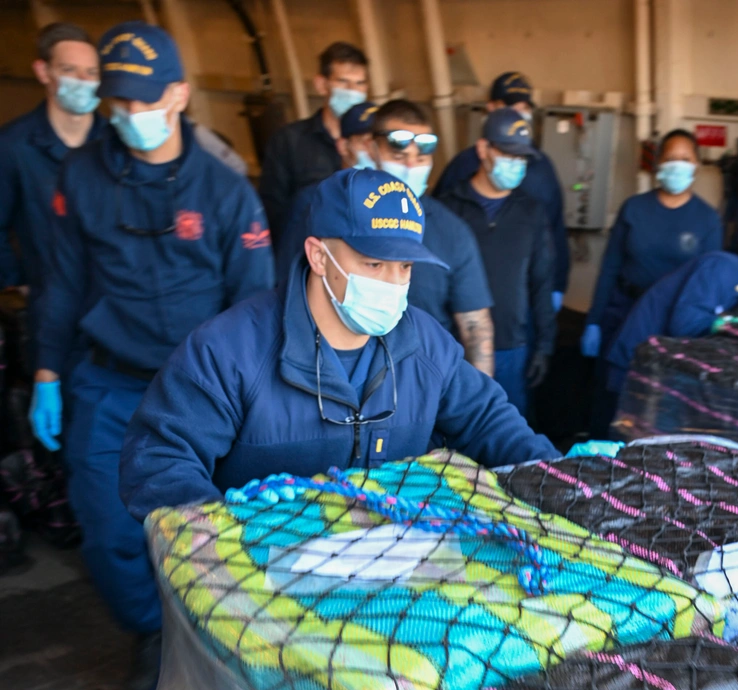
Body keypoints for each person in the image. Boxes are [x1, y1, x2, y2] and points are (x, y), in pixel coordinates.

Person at [30, 20, 274, 690]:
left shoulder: (227, 194)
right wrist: (46, 370)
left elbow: (254, 307)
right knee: (108, 529)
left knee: (217, 524)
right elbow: (61, 283)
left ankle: (218, 642)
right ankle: (153, 633)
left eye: (144, 101)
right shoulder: (81, 179)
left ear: (178, 94)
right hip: (107, 383)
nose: (130, 116)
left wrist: (255, 400)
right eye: (119, 103)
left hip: (202, 390)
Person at [119, 167, 556, 530]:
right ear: (319, 256)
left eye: (404, 266)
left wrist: (559, 481)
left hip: (388, 564)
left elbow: (490, 421)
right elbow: (160, 459)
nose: (393, 283)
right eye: (373, 263)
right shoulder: (227, 351)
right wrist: (220, 544)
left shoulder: (426, 344)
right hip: (262, 573)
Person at [275, 100, 495, 377]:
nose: (411, 166)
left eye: (421, 158)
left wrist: (475, 395)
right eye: (400, 156)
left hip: (417, 380)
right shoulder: (320, 211)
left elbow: (475, 325)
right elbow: (284, 292)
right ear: (372, 148)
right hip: (322, 372)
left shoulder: (453, 231)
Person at [0, 22, 105, 368]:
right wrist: (20, 284)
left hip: (117, 308)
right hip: (50, 313)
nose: (82, 81)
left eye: (91, 72)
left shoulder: (117, 142)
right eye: (69, 70)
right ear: (43, 72)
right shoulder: (14, 147)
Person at [438, 108, 555, 413]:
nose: (515, 165)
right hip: (453, 349)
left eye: (522, 159)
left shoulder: (532, 212)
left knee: (505, 443)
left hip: (512, 349)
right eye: (508, 154)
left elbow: (542, 282)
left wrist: (544, 344)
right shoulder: (448, 209)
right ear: (483, 149)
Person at [604, 230, 738, 396]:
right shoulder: (719, 270)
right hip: (633, 363)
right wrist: (727, 324)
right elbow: (685, 325)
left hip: (656, 369)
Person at [581, 128, 723, 363]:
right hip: (624, 312)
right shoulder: (633, 208)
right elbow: (609, 268)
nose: (677, 166)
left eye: (685, 159)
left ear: (697, 164)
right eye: (670, 159)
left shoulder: (707, 218)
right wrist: (594, 321)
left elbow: (709, 284)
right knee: (613, 388)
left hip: (675, 321)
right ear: (657, 163)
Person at [435, 72, 568, 311]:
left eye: (525, 106)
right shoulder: (463, 166)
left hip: (521, 297)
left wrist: (557, 283)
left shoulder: (542, 167)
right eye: (510, 105)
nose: (519, 113)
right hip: (465, 293)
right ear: (491, 107)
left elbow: (555, 227)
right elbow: (436, 226)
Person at [259, 40, 368, 246]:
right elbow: (272, 211)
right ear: (321, 84)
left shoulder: (376, 142)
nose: (353, 91)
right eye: (343, 82)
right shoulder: (289, 141)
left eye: (360, 83)